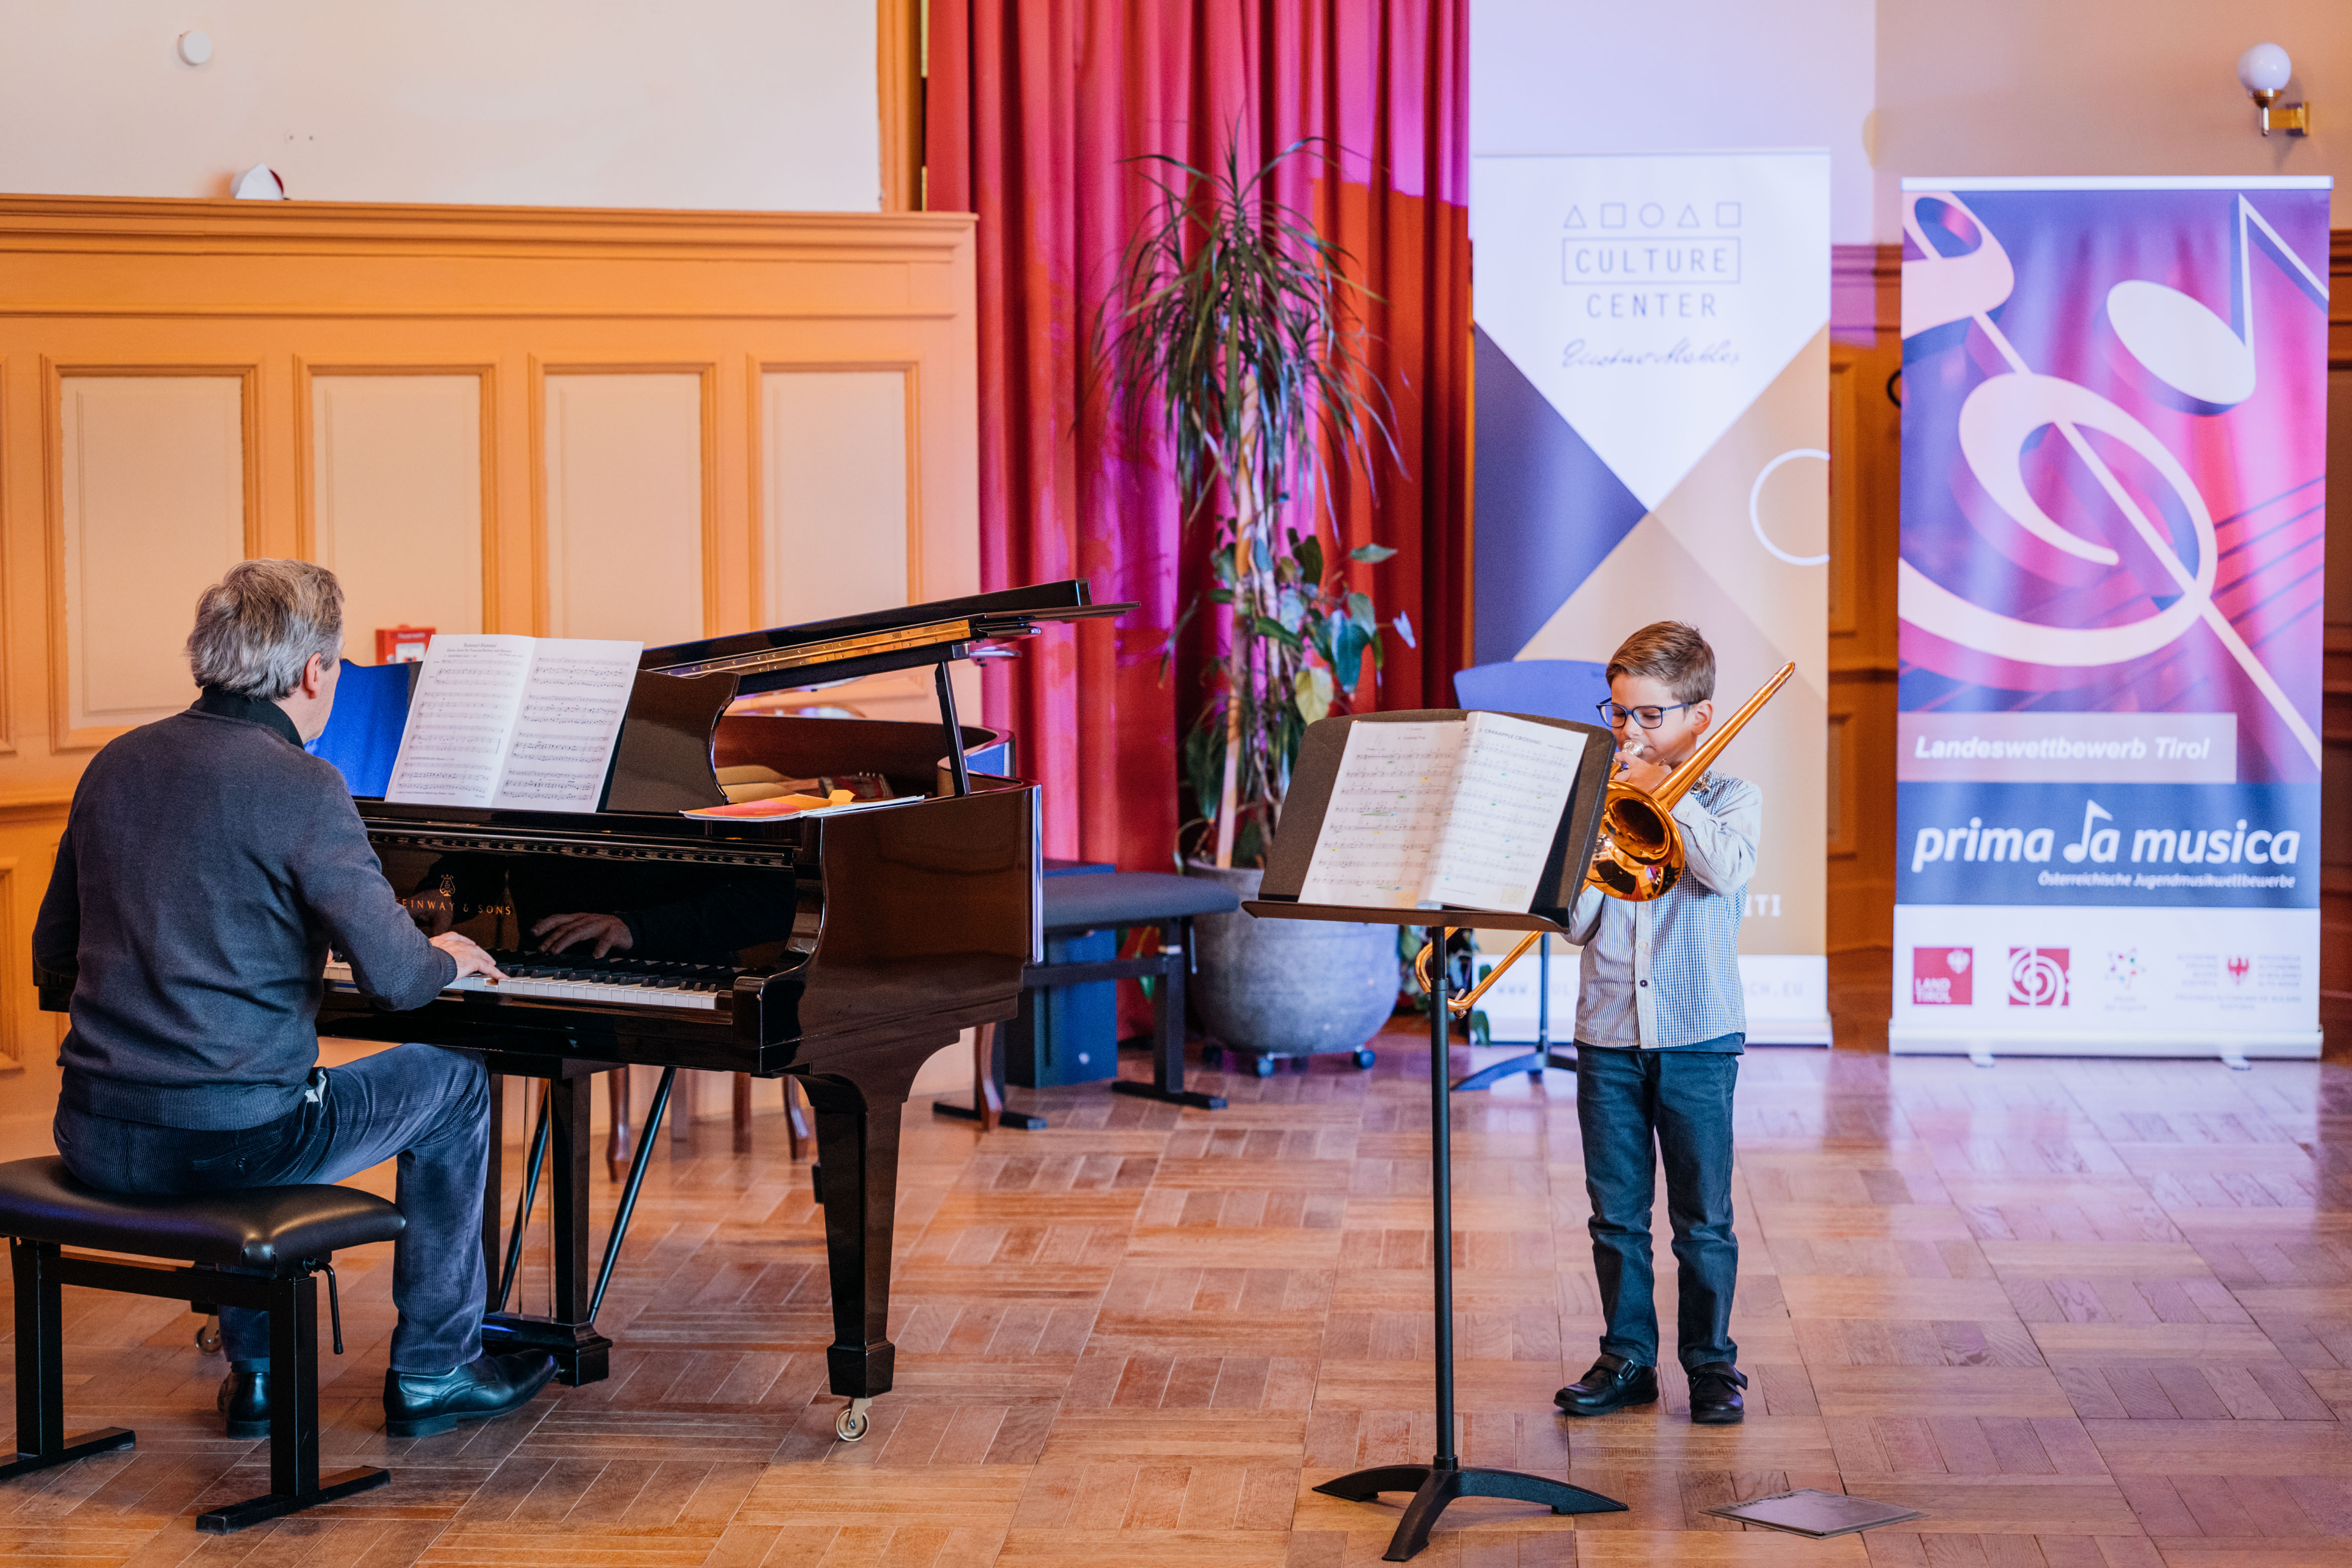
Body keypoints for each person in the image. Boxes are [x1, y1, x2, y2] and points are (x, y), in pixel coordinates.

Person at [32, 559, 558, 1440]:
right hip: (230, 1147)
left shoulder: (114, 764)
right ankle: (436, 1368)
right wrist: (447, 953)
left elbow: (54, 956)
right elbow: (396, 981)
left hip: (93, 1132)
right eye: (337, 667)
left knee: (229, 1094)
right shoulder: (305, 785)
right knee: (455, 1083)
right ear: (314, 672)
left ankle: (261, 1375)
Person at [1553, 621, 1757, 1426]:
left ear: (1697, 718)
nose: (1628, 731)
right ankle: (1628, 1355)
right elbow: (1573, 923)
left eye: (1647, 716)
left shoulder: (1732, 798)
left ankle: (1711, 1364)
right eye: (1618, 714)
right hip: (1608, 1031)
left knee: (1703, 1217)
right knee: (1616, 1211)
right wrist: (1602, 819)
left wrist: (1655, 798)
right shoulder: (1596, 795)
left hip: (1700, 1035)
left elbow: (1727, 870)